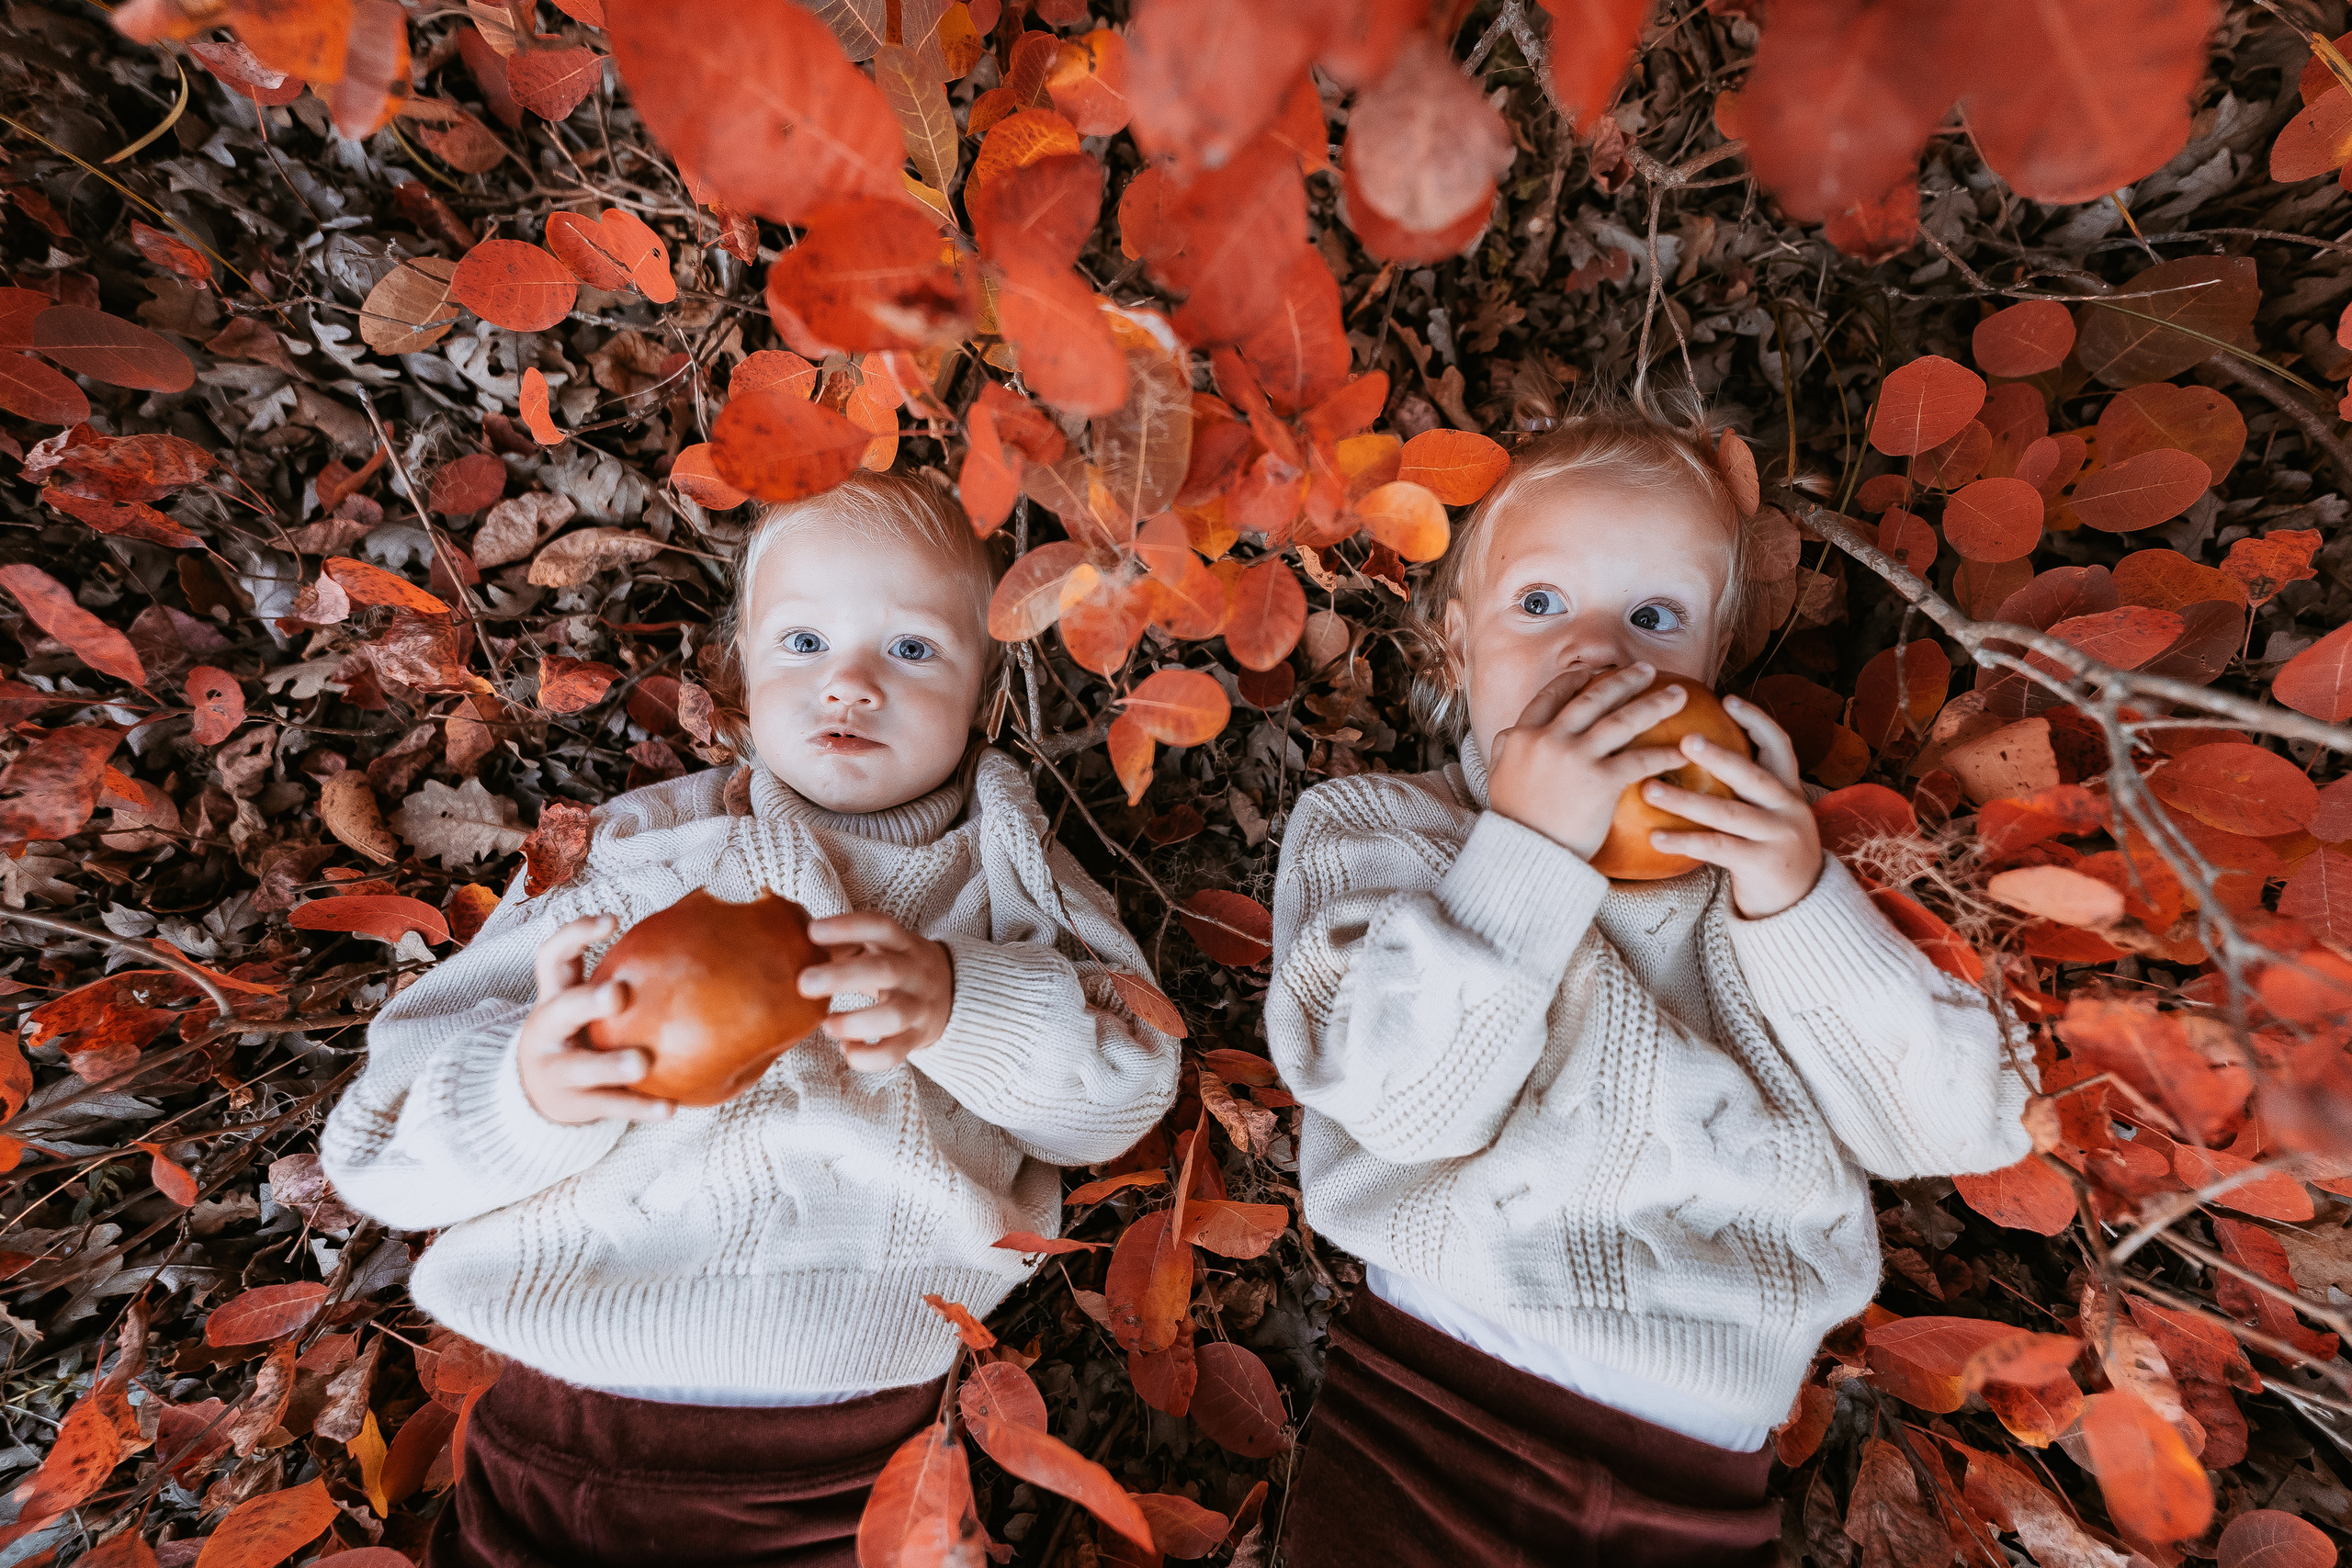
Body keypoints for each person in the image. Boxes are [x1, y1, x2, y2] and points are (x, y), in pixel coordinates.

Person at [322, 470, 1178, 1567]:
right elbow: (378, 1144)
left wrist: (964, 1005)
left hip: (857, 1430)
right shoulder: (640, 853)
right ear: (738, 670)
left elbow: (1128, 1082)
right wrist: (526, 1092)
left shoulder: (1004, 862)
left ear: (987, 695)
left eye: (912, 651)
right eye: (803, 644)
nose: (851, 686)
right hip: (573, 1403)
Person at [1268, 396, 2032, 1567]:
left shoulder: (1767, 871)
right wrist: (1520, 856)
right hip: (1437, 1412)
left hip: (1704, 1473)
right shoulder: (1384, 835)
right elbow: (1395, 1104)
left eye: (1654, 616)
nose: (1600, 652)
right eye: (1540, 604)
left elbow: (1954, 1125)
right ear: (1457, 644)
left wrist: (1799, 901)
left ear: (1710, 669)